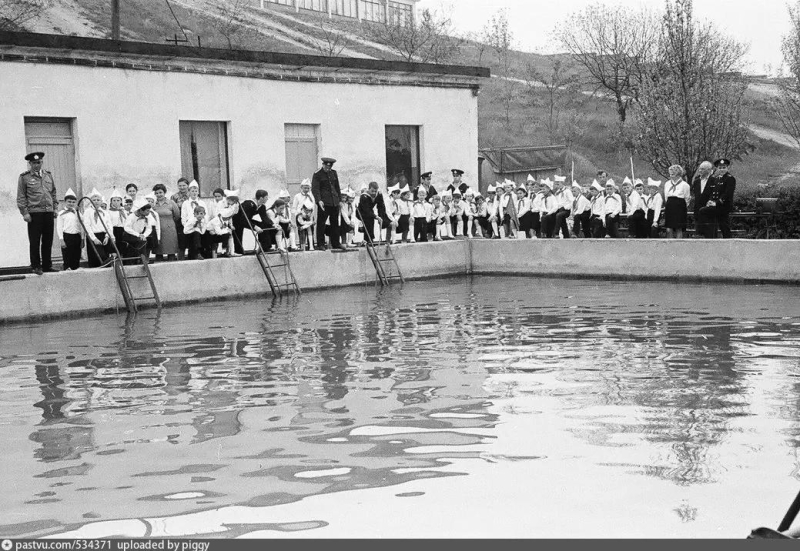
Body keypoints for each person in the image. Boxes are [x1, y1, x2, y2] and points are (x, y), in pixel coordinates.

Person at [17, 151, 58, 275]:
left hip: (48, 212)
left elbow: (53, 192)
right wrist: (25, 213)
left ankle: (47, 265)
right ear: (30, 164)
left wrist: (55, 207)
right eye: (34, 163)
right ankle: (35, 266)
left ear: (42, 162)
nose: (37, 165)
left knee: (48, 240)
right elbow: (21, 197)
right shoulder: (25, 177)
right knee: (35, 241)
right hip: (34, 213)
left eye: (39, 162)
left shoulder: (48, 175)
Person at [311, 156, 345, 250]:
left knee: (335, 223)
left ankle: (336, 243)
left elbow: (336, 187)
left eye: (329, 167)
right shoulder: (318, 174)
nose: (328, 169)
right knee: (321, 223)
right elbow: (315, 189)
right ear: (323, 165)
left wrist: (339, 200)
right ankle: (320, 243)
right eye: (326, 167)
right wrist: (319, 200)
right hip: (324, 202)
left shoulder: (333, 173)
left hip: (334, 202)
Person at [701, 158, 737, 238]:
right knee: (704, 212)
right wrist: (710, 201)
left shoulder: (730, 178)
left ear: (727, 168)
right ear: (717, 168)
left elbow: (727, 194)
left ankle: (728, 241)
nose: (722, 170)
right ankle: (711, 237)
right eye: (720, 168)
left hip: (724, 205)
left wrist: (716, 203)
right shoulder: (716, 179)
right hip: (715, 205)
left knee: (724, 225)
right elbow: (712, 192)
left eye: (724, 168)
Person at [82, 188, 115, 267]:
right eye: (94, 200)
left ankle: (106, 270)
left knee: (105, 254)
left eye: (98, 200)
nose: (96, 201)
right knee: (96, 256)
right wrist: (94, 238)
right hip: (93, 236)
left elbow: (109, 225)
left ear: (101, 201)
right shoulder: (88, 212)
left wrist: (107, 236)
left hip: (104, 235)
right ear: (91, 201)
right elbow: (87, 226)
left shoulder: (105, 212)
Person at [152, 183, 180, 261]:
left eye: (160, 192)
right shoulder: (153, 204)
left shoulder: (171, 203)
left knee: (171, 251)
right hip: (158, 231)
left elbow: (177, 215)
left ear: (164, 192)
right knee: (159, 252)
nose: (159, 195)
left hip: (169, 230)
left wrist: (169, 223)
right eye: (156, 193)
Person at [56, 188, 83, 271]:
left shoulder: (77, 213)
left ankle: (76, 269)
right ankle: (67, 269)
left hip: (77, 236)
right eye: (69, 202)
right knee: (67, 255)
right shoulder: (61, 214)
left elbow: (82, 224)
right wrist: (61, 239)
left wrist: (82, 239)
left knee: (76, 255)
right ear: (65, 202)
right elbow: (59, 227)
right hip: (67, 236)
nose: (71, 204)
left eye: (73, 202)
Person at [122, 198, 153, 264]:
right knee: (138, 242)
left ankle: (143, 259)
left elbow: (149, 228)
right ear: (141, 210)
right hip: (130, 235)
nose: (148, 212)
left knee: (146, 240)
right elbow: (127, 228)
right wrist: (138, 235)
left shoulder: (147, 217)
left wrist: (144, 235)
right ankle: (135, 260)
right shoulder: (132, 216)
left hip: (140, 235)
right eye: (147, 210)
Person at [663, 164, 691, 239]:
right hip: (670, 206)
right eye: (670, 172)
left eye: (673, 172)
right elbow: (666, 197)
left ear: (678, 174)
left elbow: (687, 198)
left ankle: (679, 245)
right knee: (669, 229)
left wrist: (681, 205)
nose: (671, 174)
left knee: (679, 228)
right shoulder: (667, 184)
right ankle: (670, 245)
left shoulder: (685, 185)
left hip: (679, 207)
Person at [691, 161, 715, 237]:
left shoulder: (714, 180)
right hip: (698, 211)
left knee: (710, 234)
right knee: (699, 234)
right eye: (700, 169)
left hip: (709, 212)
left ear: (708, 170)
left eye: (702, 169)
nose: (700, 171)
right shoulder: (696, 181)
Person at [171, 178, 191, 259]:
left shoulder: (191, 195)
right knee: (181, 240)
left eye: (184, 185)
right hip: (179, 221)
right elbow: (172, 209)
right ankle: (181, 258)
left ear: (187, 186)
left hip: (190, 220)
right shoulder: (174, 196)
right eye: (180, 186)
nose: (182, 187)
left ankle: (191, 257)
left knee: (191, 239)